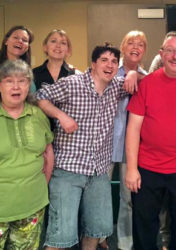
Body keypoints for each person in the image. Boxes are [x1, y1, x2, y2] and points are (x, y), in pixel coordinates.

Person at [35, 44, 134, 250]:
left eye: (114, 62)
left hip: (98, 172)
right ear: (93, 64)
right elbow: (41, 96)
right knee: (60, 235)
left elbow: (147, 80)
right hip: (68, 170)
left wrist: (132, 72)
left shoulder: (116, 87)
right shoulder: (72, 84)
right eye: (104, 60)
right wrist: (61, 116)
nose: (109, 65)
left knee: (97, 230)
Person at [126, 31, 176, 250]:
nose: (174, 56)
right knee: (144, 226)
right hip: (148, 168)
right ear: (161, 54)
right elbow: (133, 129)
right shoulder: (147, 84)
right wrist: (132, 169)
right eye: (169, 51)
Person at [0, 60, 54, 249]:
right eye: (9, 81)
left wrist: (41, 186)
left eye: (22, 81)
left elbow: (48, 151)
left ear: (29, 85)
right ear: (0, 85)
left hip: (32, 206)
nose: (16, 86)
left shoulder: (38, 114)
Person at [110, 30, 147, 250]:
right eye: (131, 43)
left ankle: (125, 242)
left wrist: (135, 74)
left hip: (132, 148)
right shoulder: (110, 70)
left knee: (128, 198)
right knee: (99, 194)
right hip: (104, 143)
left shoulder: (148, 77)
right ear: (123, 47)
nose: (135, 47)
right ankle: (100, 236)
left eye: (140, 44)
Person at [0, 25, 36, 92]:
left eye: (24, 40)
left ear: (27, 47)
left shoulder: (28, 71)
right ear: (6, 41)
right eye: (15, 37)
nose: (20, 41)